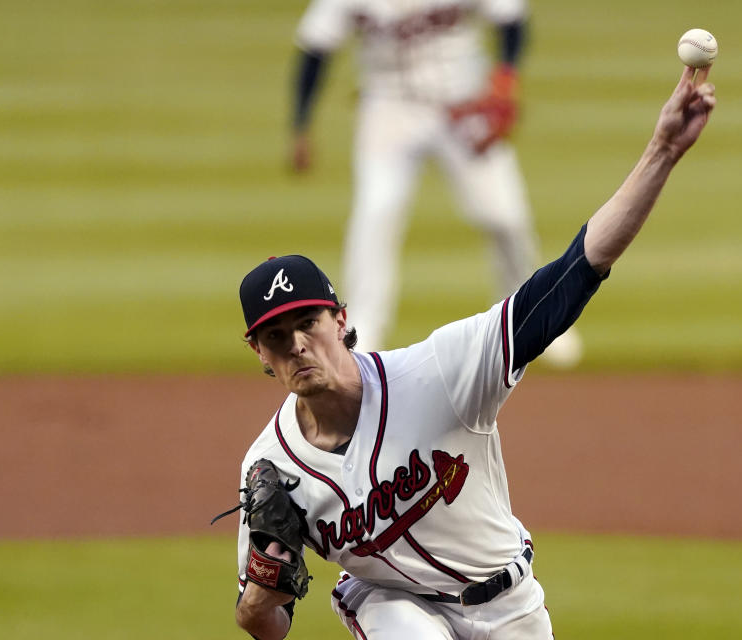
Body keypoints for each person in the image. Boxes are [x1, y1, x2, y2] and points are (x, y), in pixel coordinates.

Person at [233, 66, 716, 640]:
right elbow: (266, 625)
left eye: (306, 323)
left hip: (510, 604)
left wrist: (661, 151)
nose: (296, 345)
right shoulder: (272, 466)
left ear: (340, 320)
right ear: (259, 352)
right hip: (389, 604)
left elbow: (571, 275)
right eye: (275, 337)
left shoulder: (439, 374)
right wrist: (262, 591)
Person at [289, 0, 585, 367]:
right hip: (387, 109)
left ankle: (537, 315)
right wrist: (301, 125)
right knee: (376, 214)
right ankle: (361, 333)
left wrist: (506, 79)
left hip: (464, 103)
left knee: (504, 215)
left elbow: (510, 17)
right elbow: (316, 45)